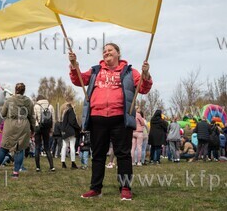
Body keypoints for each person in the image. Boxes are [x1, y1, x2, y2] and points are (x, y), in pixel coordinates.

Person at [69, 43, 152, 200]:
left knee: (123, 155)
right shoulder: (95, 71)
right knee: (98, 155)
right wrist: (74, 65)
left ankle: (126, 188)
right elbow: (78, 80)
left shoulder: (129, 72)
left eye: (110, 50)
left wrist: (146, 74)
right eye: (104, 51)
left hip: (120, 118)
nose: (106, 52)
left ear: (118, 53)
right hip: (97, 118)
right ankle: (96, 189)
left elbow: (144, 88)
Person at [0, 83, 35, 178]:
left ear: (15, 90)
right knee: (20, 149)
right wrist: (33, 129)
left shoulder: (9, 100)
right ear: (24, 91)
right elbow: (31, 116)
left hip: (10, 125)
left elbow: (3, 113)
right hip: (23, 125)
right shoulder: (29, 101)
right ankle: (16, 173)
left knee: (3, 148)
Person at [34, 95, 55, 172]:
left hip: (38, 127)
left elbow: (33, 118)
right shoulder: (50, 106)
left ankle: (38, 167)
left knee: (37, 147)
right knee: (47, 147)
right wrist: (52, 129)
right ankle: (52, 166)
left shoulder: (36, 106)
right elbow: (53, 119)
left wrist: (34, 128)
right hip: (47, 128)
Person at [60, 102, 80, 169]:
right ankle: (73, 163)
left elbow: (63, 123)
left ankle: (63, 163)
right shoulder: (71, 111)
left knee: (64, 146)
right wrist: (79, 128)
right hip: (71, 131)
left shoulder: (65, 112)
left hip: (64, 131)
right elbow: (72, 121)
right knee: (72, 146)